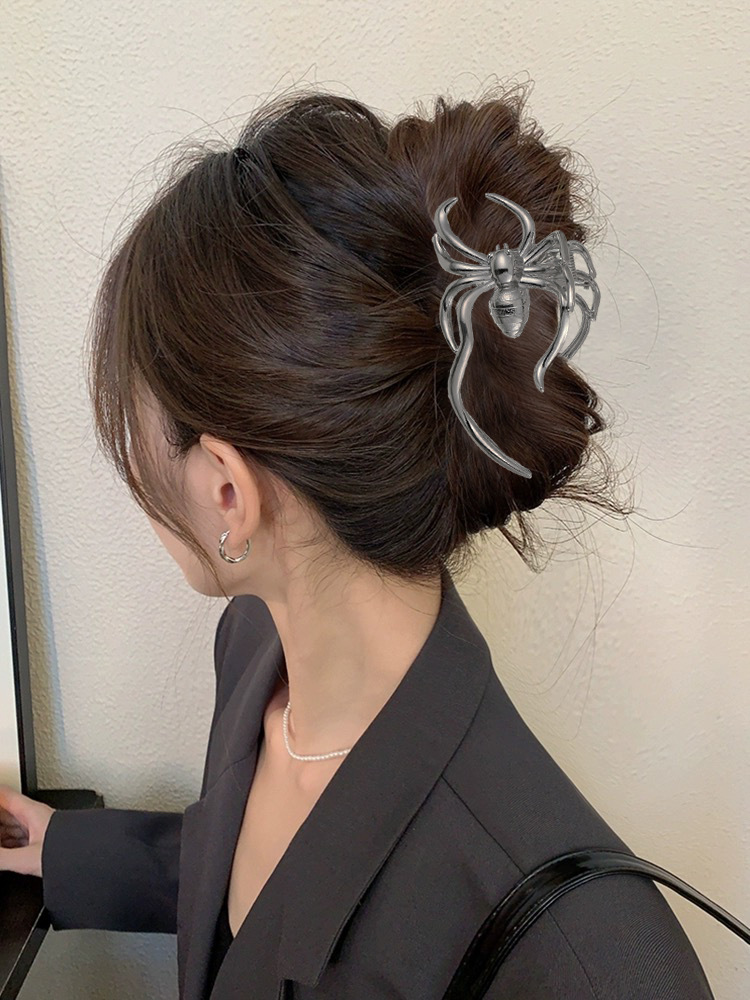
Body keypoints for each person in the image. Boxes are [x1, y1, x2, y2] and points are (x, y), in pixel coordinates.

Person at [0, 83, 715, 999]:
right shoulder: (258, 647)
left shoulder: (590, 964)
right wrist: (60, 847)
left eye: (135, 422)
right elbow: (271, 881)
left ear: (227, 492)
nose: (130, 465)